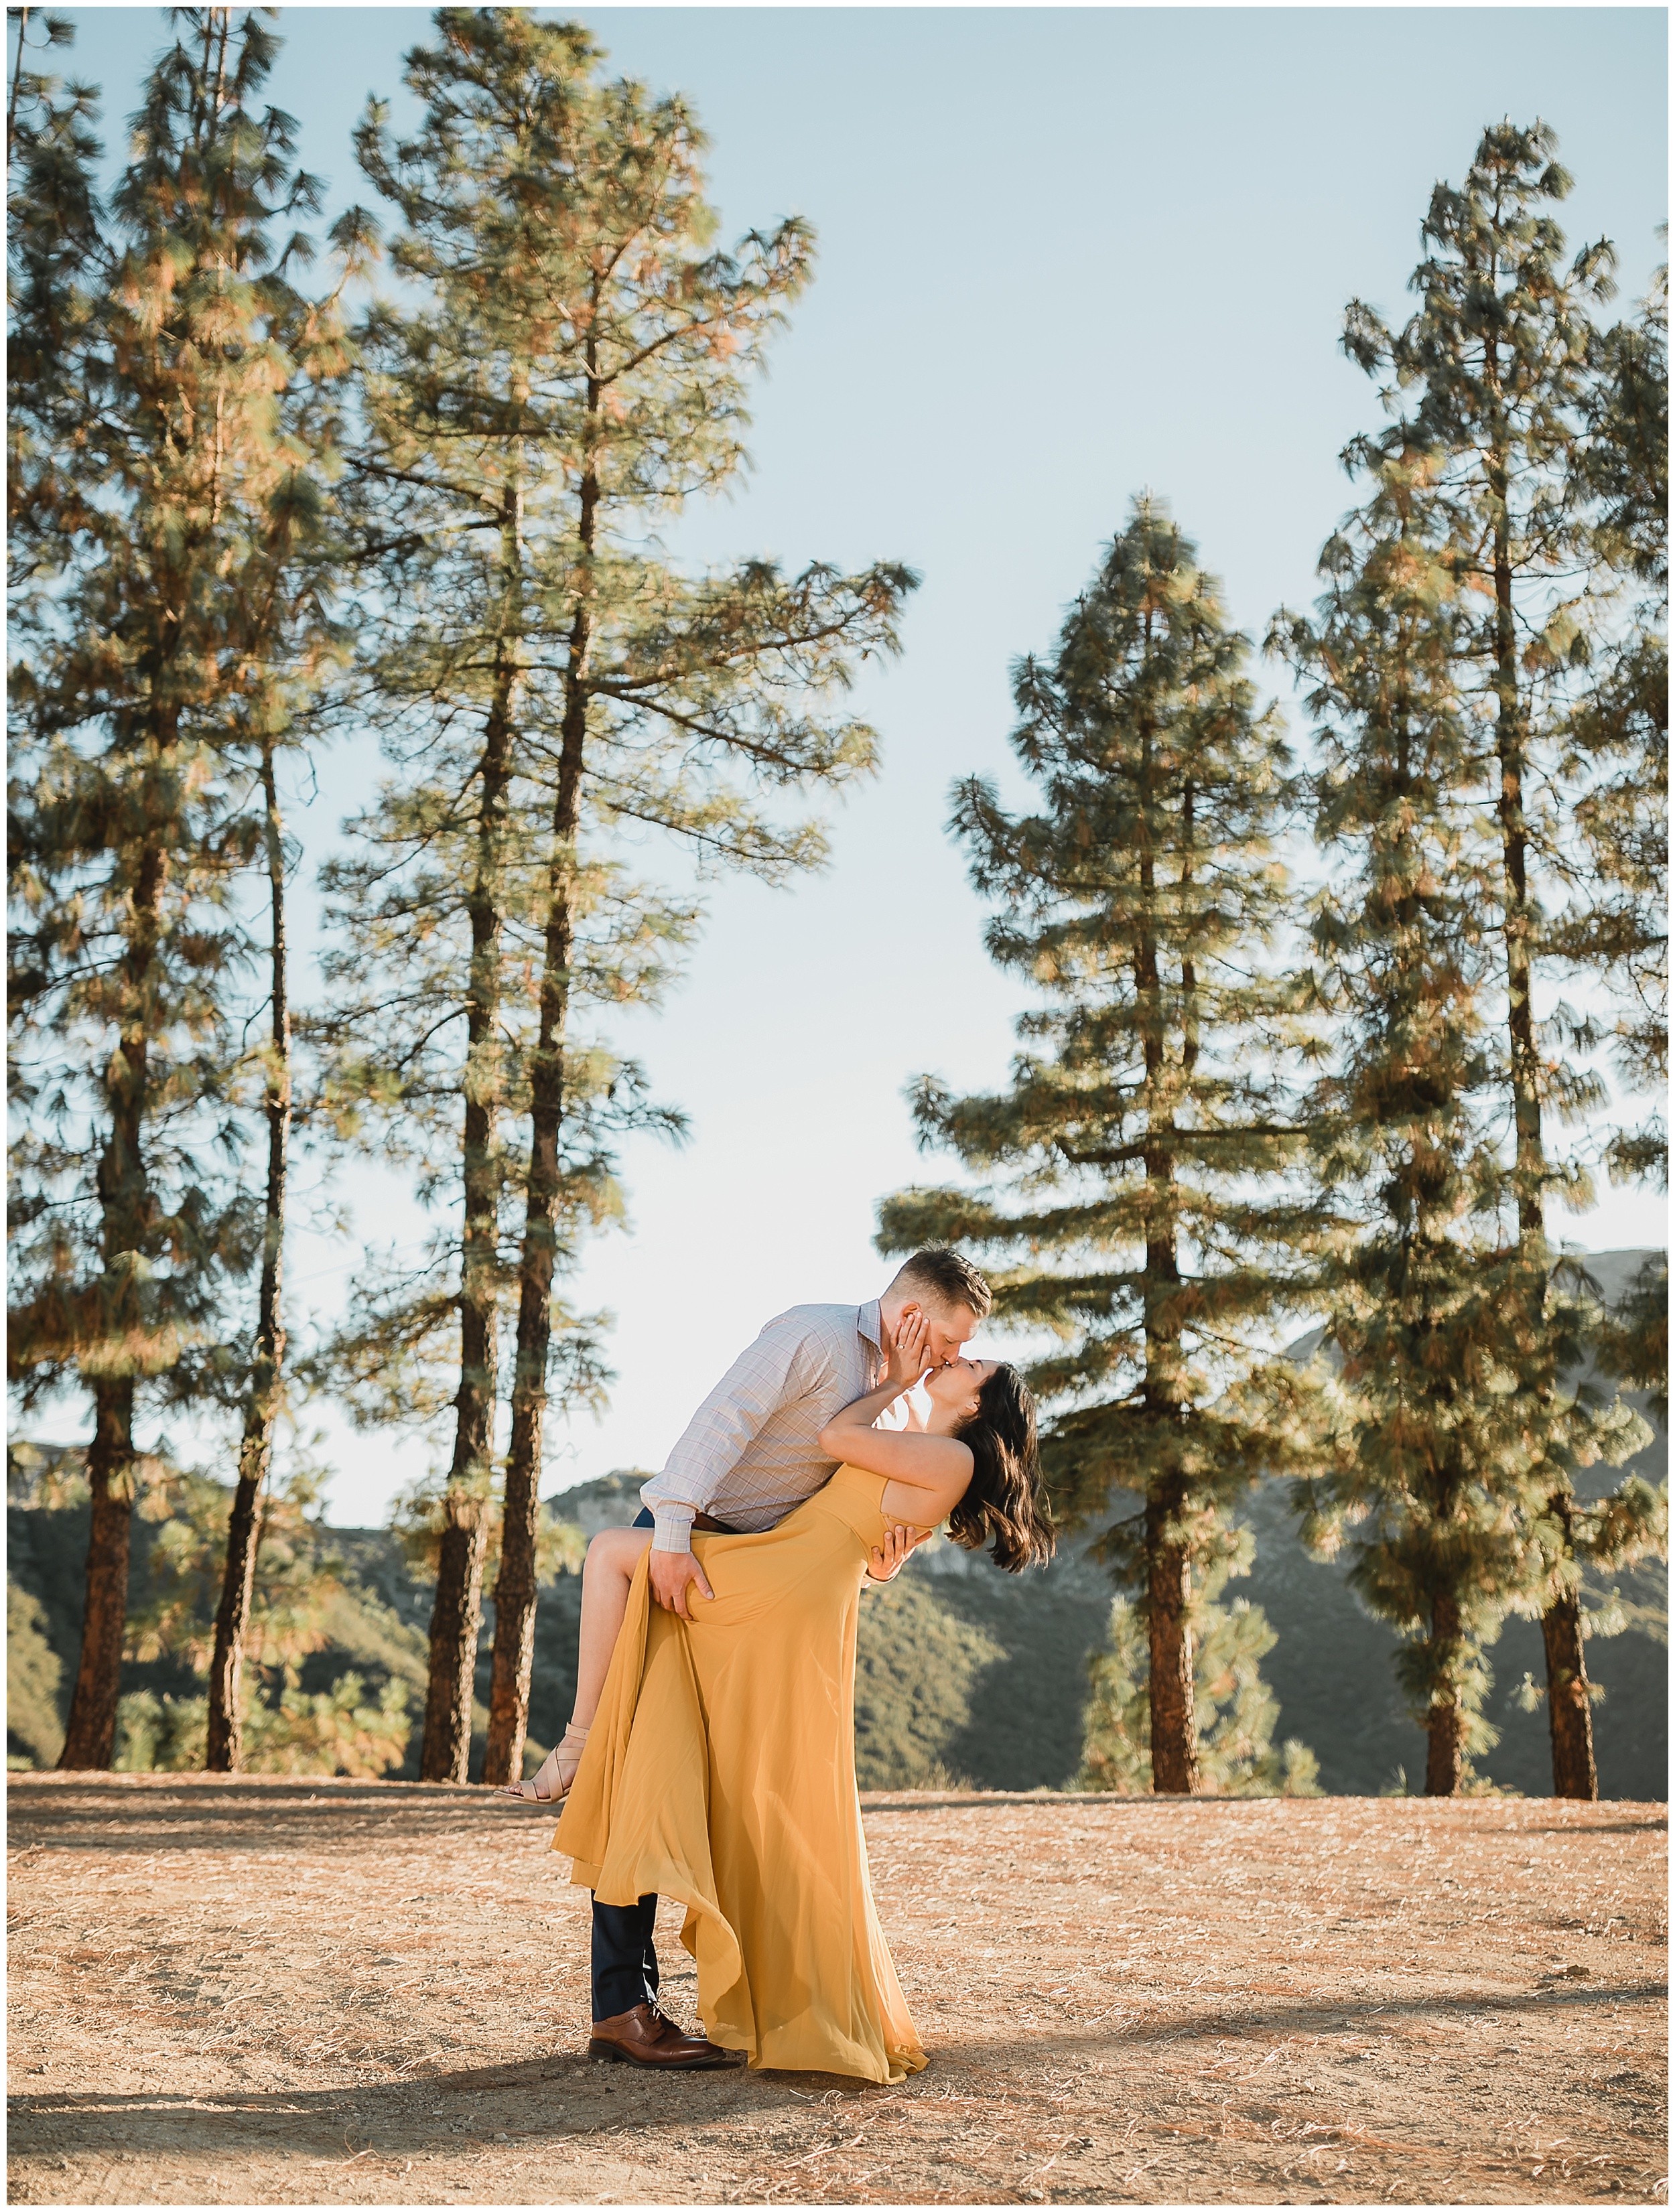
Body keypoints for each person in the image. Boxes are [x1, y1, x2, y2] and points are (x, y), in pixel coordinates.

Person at [551, 1306, 1055, 2077]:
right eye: (957, 1351)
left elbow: (835, 1442)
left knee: (614, 1550)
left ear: (979, 1404)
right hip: (797, 1574)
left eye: (968, 1366)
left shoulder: (946, 1457)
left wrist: (895, 1380)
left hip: (789, 1585)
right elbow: (884, 1545)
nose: (958, 1359)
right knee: (637, 1604)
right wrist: (905, 1406)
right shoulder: (932, 1449)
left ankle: (577, 1744)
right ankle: (626, 1988)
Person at [505, 1248, 991, 1809]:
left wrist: (877, 1566)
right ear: (911, 1316)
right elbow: (725, 1416)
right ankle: (577, 1747)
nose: (955, 1356)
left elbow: (834, 1523)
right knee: (628, 1731)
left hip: (752, 1574)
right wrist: (670, 1535)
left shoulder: (900, 1408)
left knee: (685, 1761)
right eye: (953, 1339)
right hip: (687, 1537)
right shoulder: (816, 1333)